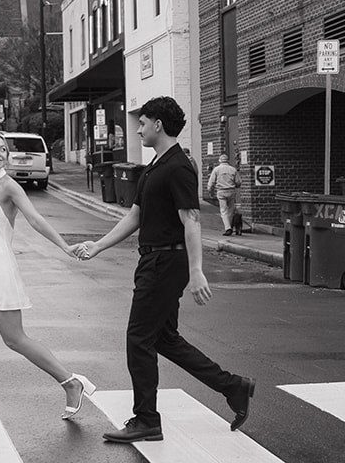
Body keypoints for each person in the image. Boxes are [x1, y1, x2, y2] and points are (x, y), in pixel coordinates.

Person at [75, 96, 255, 443]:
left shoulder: (179, 166)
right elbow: (135, 216)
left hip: (166, 262)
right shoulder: (156, 165)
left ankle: (147, 419)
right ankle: (234, 387)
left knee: (138, 338)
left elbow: (191, 219)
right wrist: (98, 245)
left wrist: (197, 270)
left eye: (142, 123)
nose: (139, 128)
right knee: (163, 339)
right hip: (153, 260)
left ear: (158, 124)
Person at [0, 131, 97, 420]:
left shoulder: (8, 186)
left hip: (0, 270)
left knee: (15, 339)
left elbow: (35, 218)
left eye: (3, 149)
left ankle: (71, 381)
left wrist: (65, 246)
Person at [206, 154, 241, 236]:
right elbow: (238, 182)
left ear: (219, 161)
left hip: (221, 191)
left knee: (223, 211)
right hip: (231, 191)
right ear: (227, 160)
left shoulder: (216, 170)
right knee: (231, 210)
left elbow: (211, 183)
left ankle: (228, 228)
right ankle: (229, 227)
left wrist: (210, 192)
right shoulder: (233, 169)